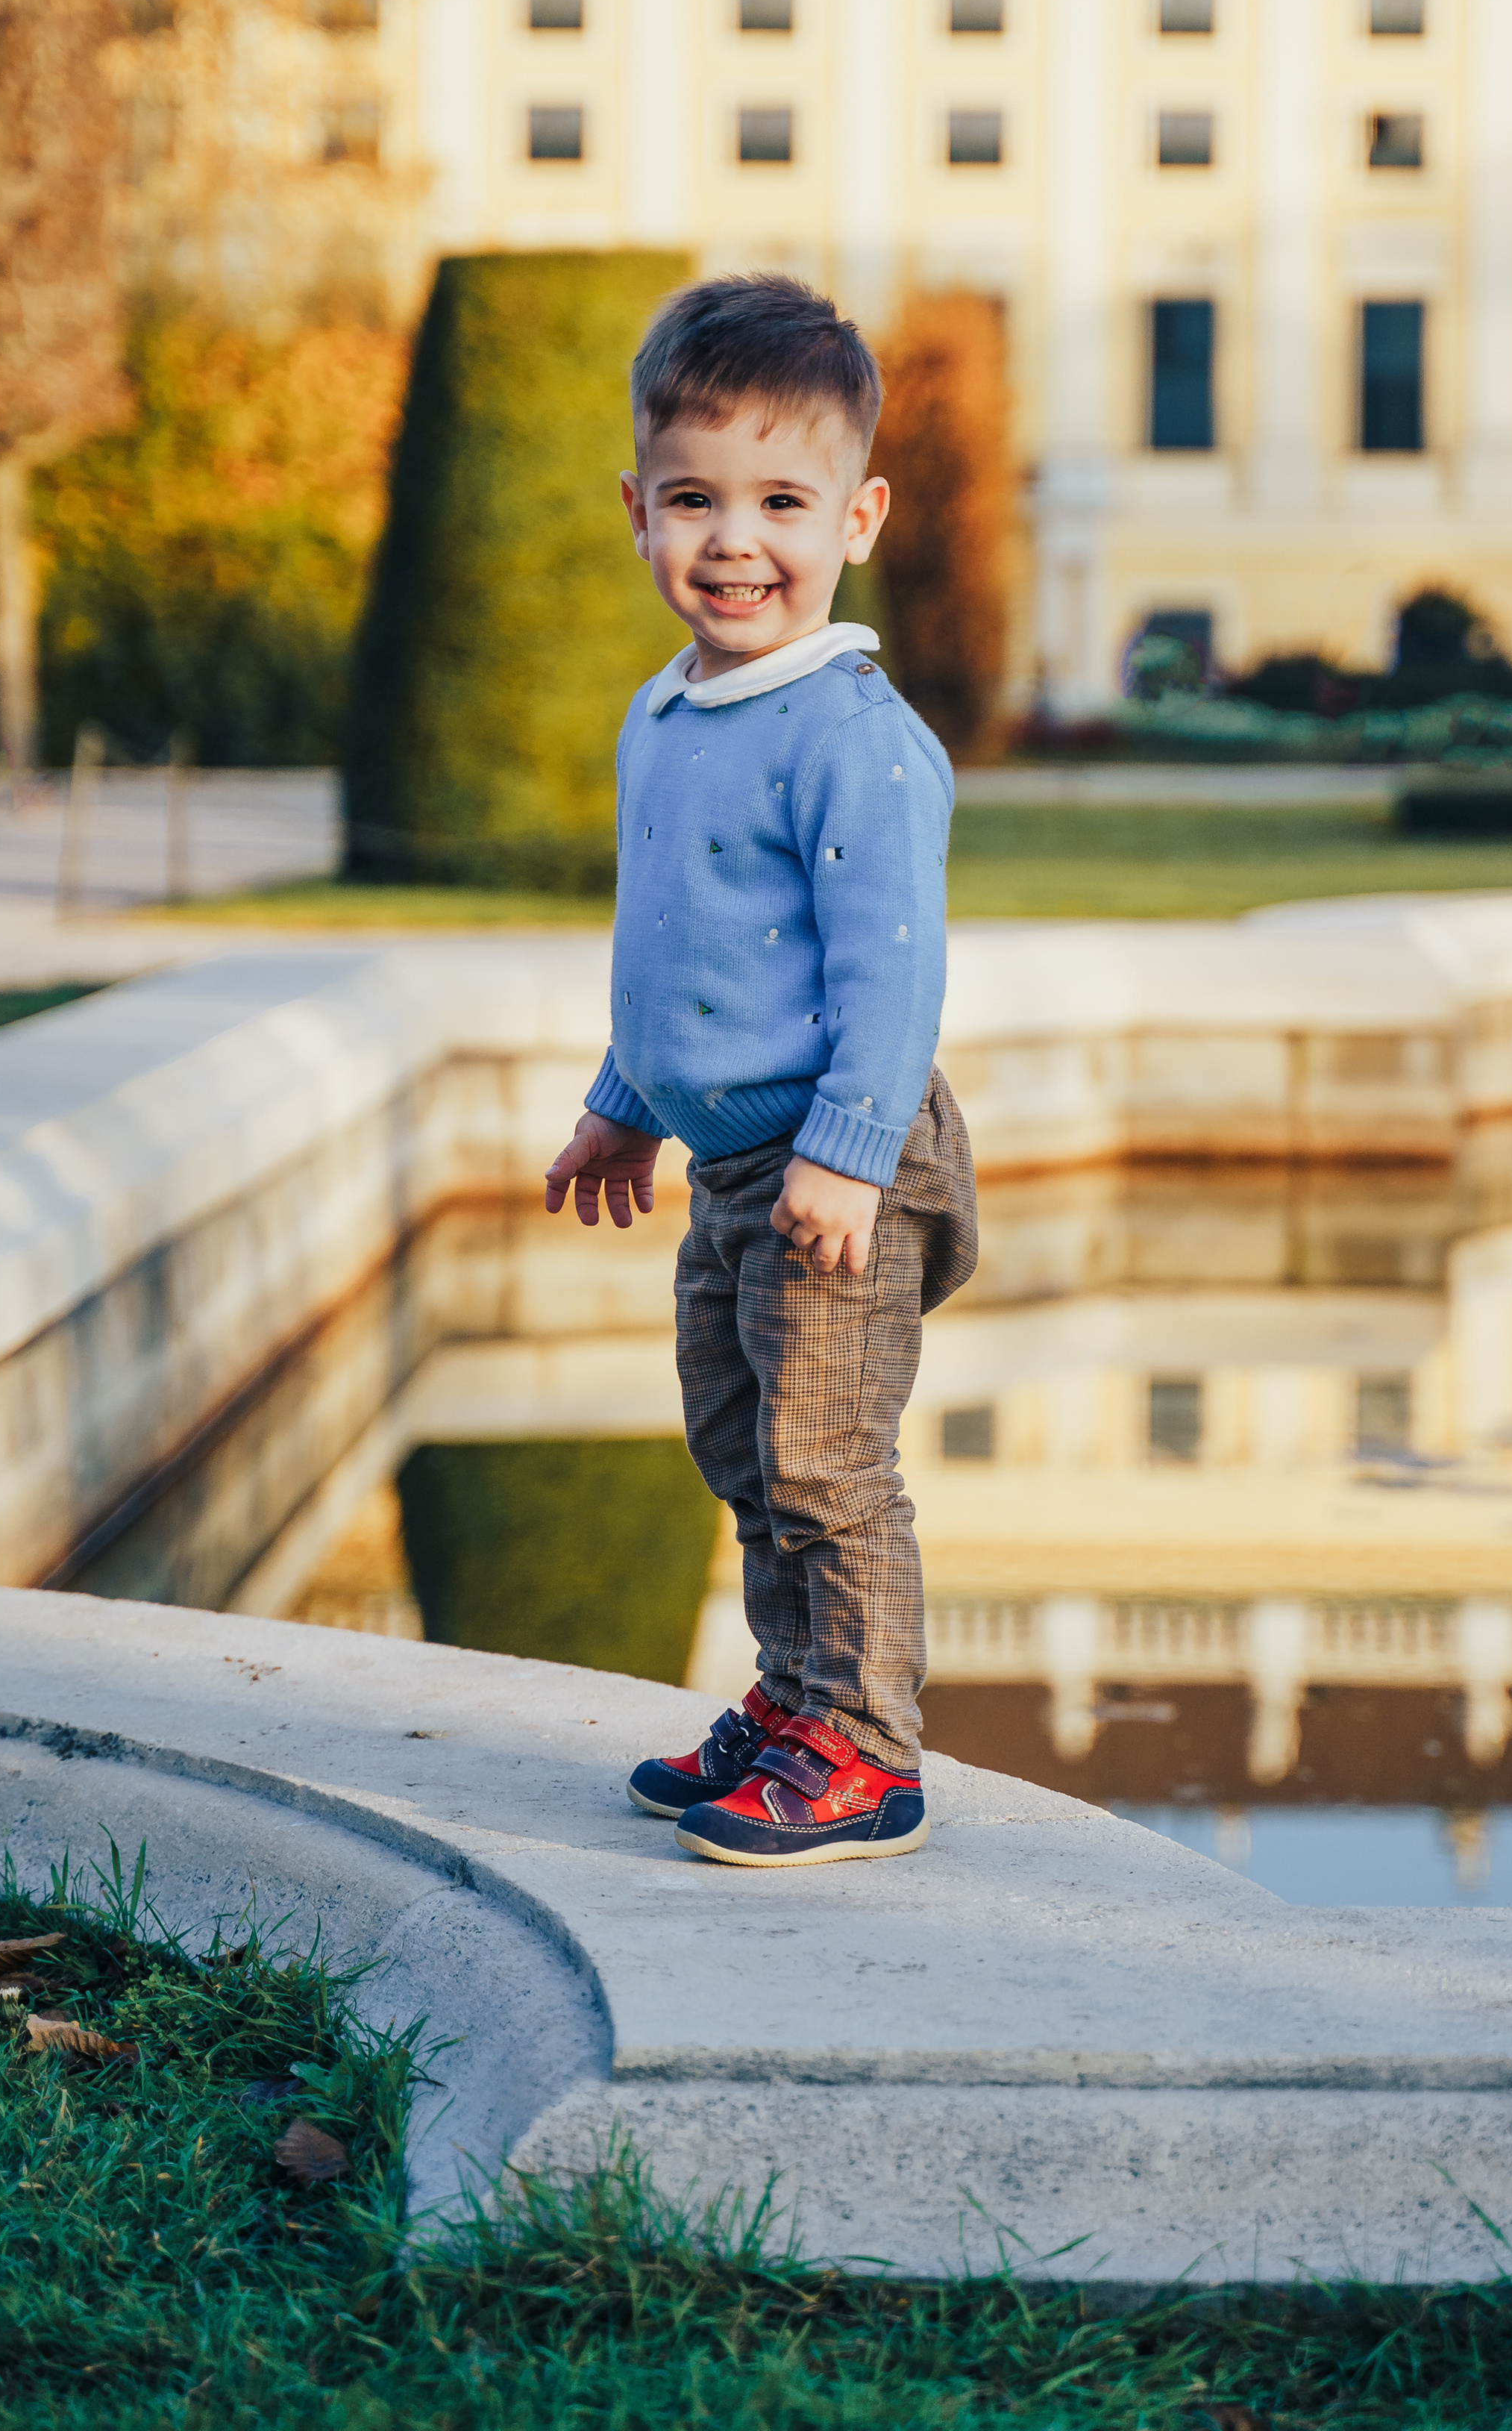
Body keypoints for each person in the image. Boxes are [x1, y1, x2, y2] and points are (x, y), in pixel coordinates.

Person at [542, 272, 977, 1868]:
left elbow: (890, 972)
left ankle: (864, 1749)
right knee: (742, 1445)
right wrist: (622, 1104)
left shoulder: (852, 737)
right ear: (637, 510)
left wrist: (847, 1155)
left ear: (858, 516)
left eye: (781, 502)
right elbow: (680, 951)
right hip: (735, 1165)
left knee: (824, 1457)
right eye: (694, 499)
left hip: (840, 1157)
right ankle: (795, 1700)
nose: (735, 541)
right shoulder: (665, 715)